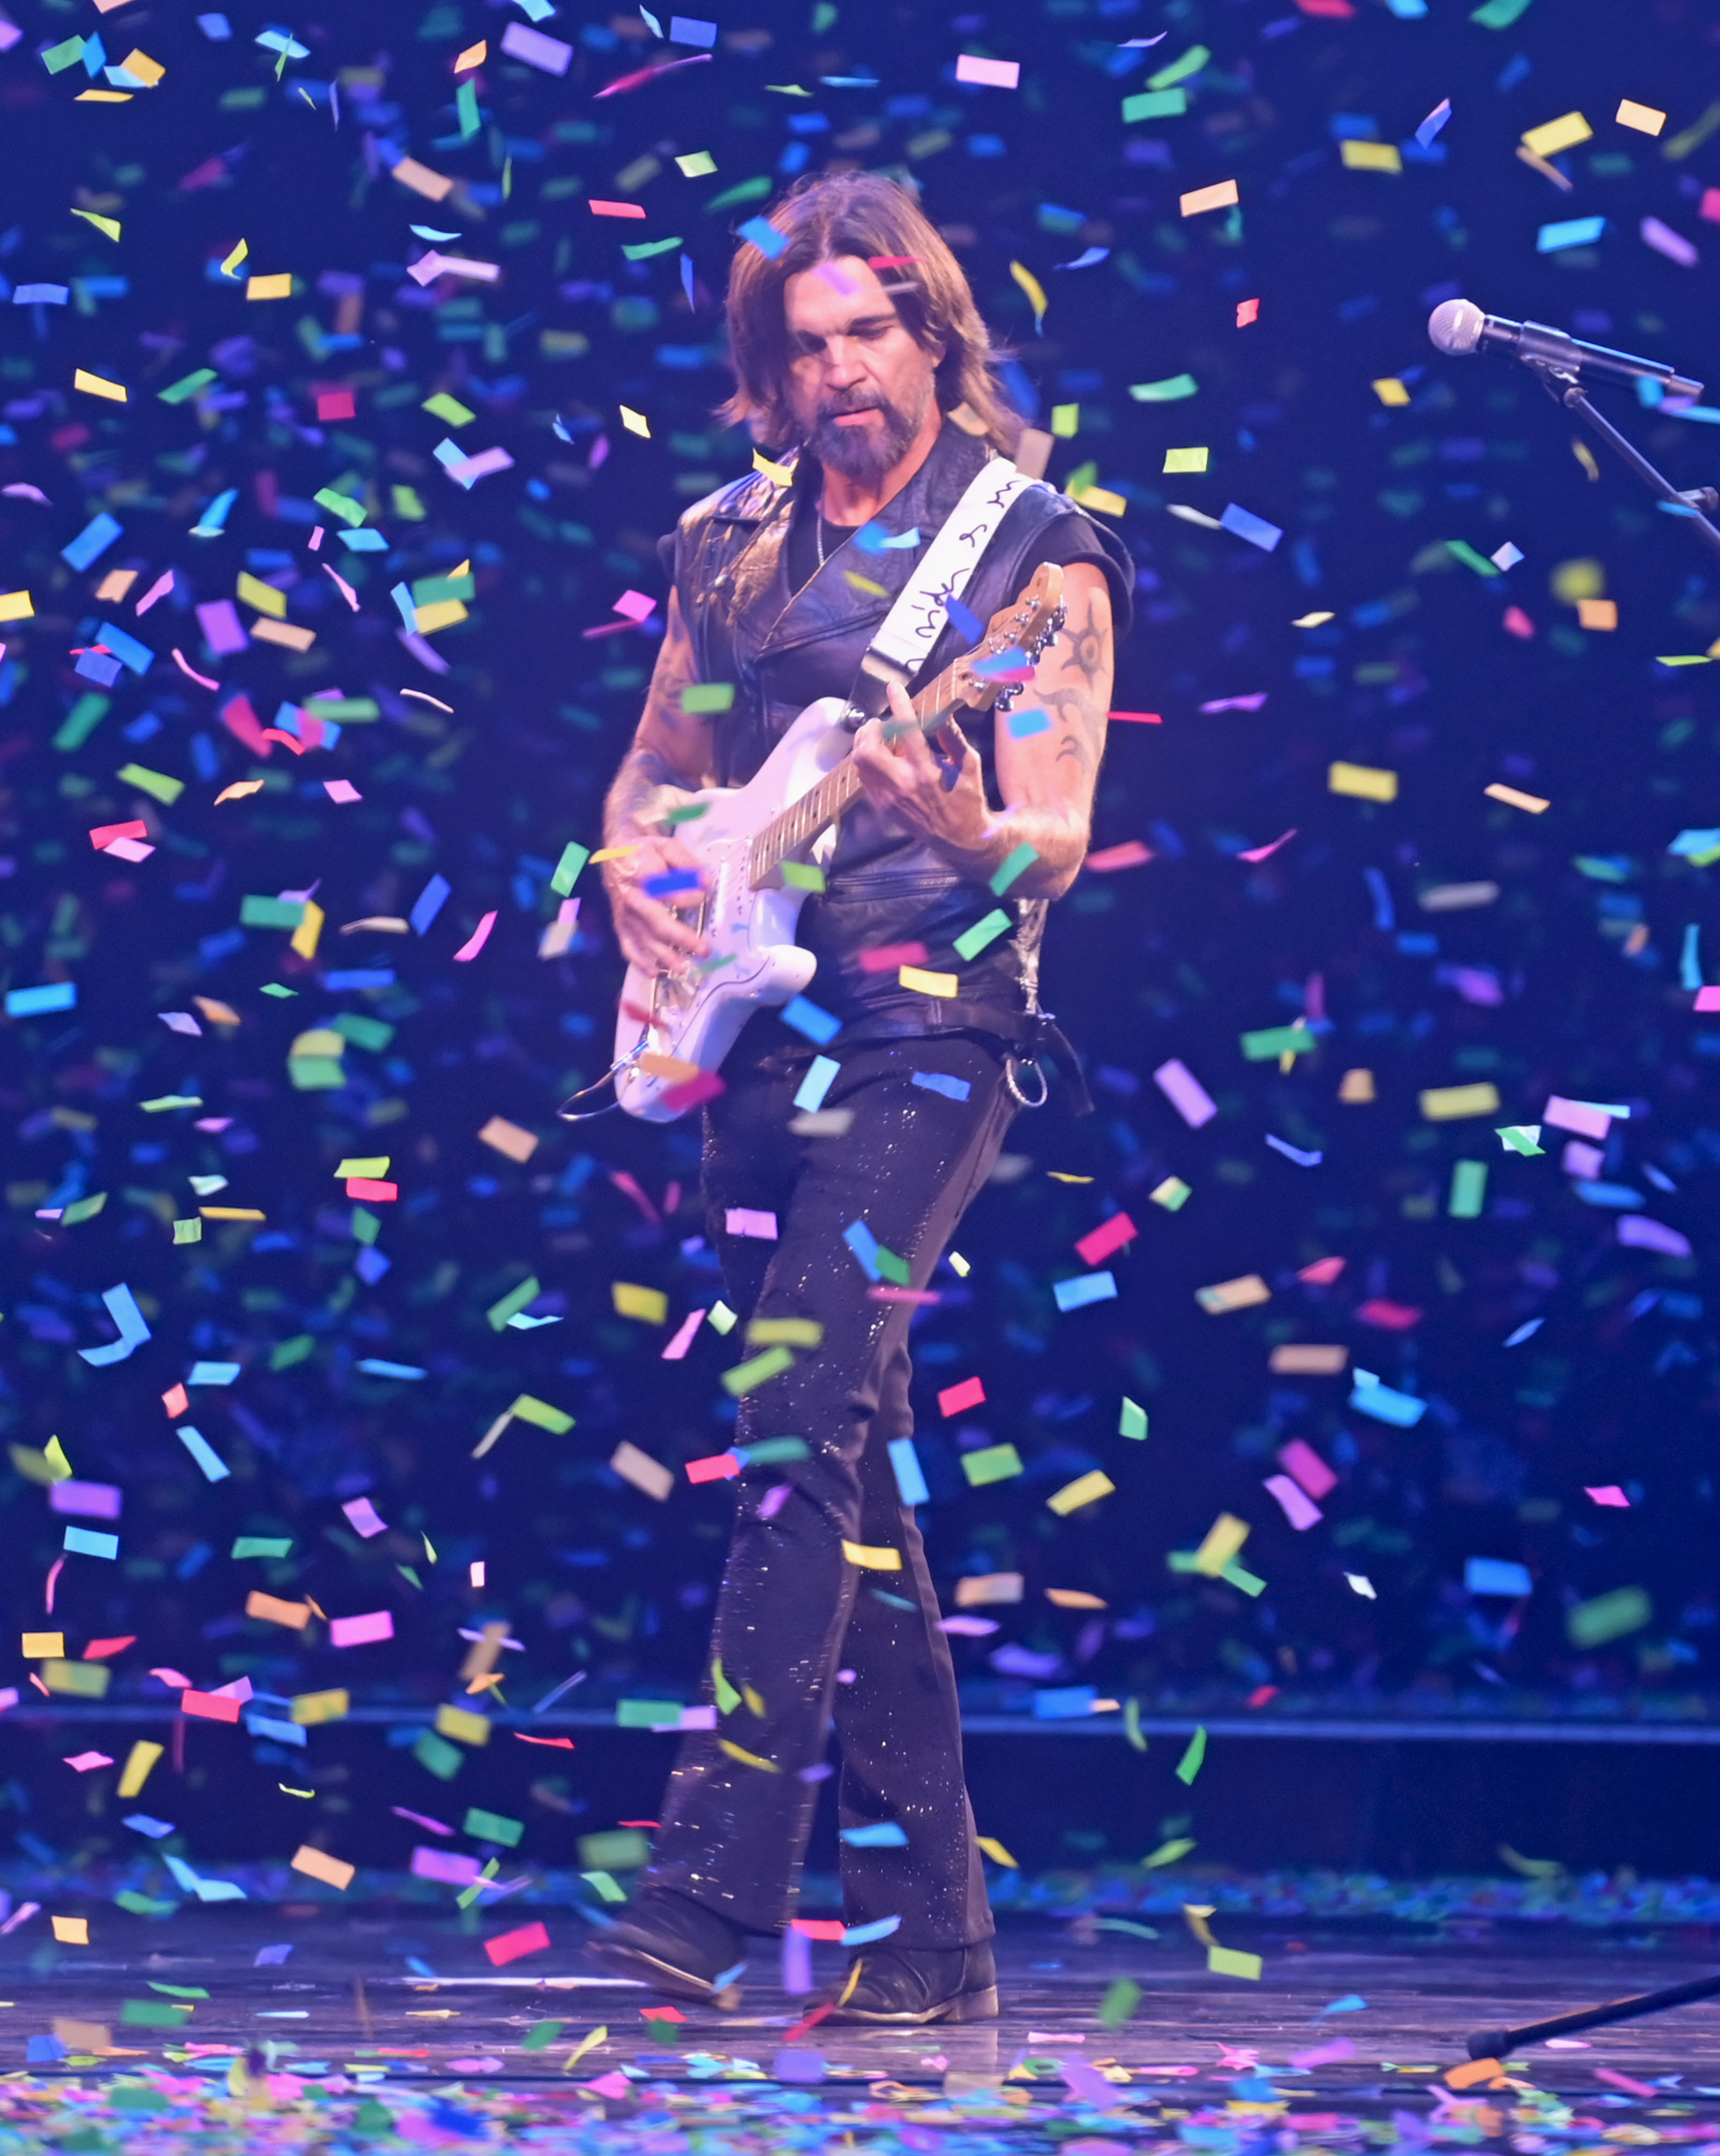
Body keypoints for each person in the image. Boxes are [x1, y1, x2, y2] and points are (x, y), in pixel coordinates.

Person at [582, 171, 1133, 2027]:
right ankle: (935, 1942)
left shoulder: (1031, 552)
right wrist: (638, 881)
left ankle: (707, 1888)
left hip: (940, 1027)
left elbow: (1050, 832)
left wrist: (978, 827)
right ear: (766, 370)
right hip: (765, 1032)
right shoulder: (728, 543)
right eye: (804, 346)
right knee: (848, 1467)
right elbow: (658, 776)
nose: (841, 375)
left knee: (796, 1404)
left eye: (869, 336)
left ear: (933, 337)